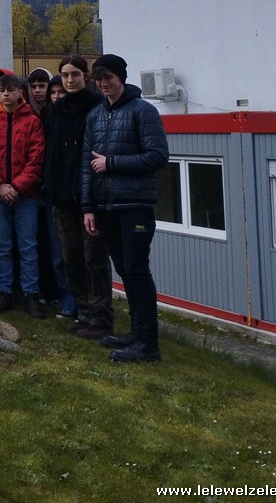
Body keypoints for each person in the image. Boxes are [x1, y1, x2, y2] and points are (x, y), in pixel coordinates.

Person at [81, 53, 169, 363]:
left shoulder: (143, 111)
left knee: (136, 270)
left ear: (122, 77)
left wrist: (112, 163)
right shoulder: (96, 115)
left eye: (109, 77)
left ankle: (148, 344)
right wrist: (88, 207)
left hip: (135, 205)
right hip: (106, 205)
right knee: (124, 270)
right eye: (99, 79)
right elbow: (87, 164)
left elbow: (158, 156)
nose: (103, 83)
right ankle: (136, 333)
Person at [45, 55, 109, 334]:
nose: (69, 80)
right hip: (61, 197)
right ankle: (84, 312)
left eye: (75, 74)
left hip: (88, 198)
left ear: (86, 76)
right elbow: (52, 152)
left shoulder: (97, 107)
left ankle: (101, 317)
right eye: (65, 75)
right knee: (71, 258)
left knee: (94, 259)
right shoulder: (57, 110)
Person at [0, 73, 46, 318]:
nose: (6, 94)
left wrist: (17, 187)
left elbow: (36, 158)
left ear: (20, 92)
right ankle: (4, 291)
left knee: (28, 246)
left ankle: (30, 293)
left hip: (25, 195)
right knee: (2, 245)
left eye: (10, 90)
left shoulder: (33, 122)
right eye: (1, 90)